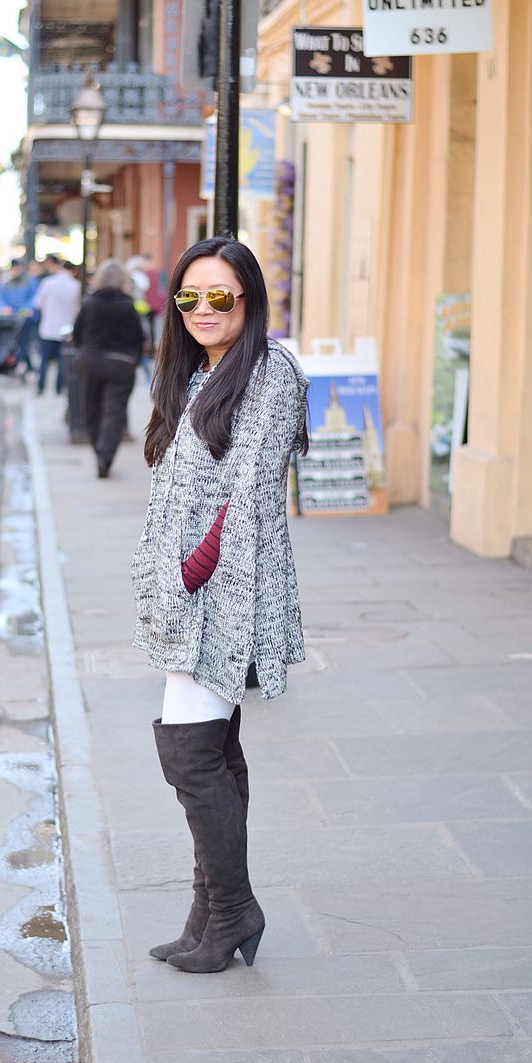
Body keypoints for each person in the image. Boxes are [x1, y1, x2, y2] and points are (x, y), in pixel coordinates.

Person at [131, 237, 309, 974]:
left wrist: (189, 573)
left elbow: (250, 494)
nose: (202, 310)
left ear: (248, 300)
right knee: (212, 749)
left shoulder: (270, 372)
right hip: (191, 596)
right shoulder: (200, 372)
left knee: (189, 753)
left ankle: (232, 909)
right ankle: (209, 914)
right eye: (188, 297)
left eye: (219, 297)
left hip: (223, 596)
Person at [72, 259, 144, 478]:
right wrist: (134, 360)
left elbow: (77, 334)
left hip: (91, 361)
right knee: (114, 412)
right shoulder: (128, 305)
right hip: (122, 363)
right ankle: (105, 456)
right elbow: (139, 337)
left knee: (91, 409)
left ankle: (99, 451)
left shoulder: (90, 303)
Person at [33, 255, 80, 395]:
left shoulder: (48, 282)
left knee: (44, 360)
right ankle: (59, 389)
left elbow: (37, 304)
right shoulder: (75, 285)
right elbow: (77, 309)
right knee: (62, 361)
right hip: (66, 329)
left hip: (48, 328)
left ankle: (40, 387)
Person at [0, 258, 38, 374]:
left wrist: (27, 309)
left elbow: (33, 298)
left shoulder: (30, 281)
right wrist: (5, 308)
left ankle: (24, 365)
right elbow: (1, 299)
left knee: (24, 343)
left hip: (25, 319)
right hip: (11, 319)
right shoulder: (6, 282)